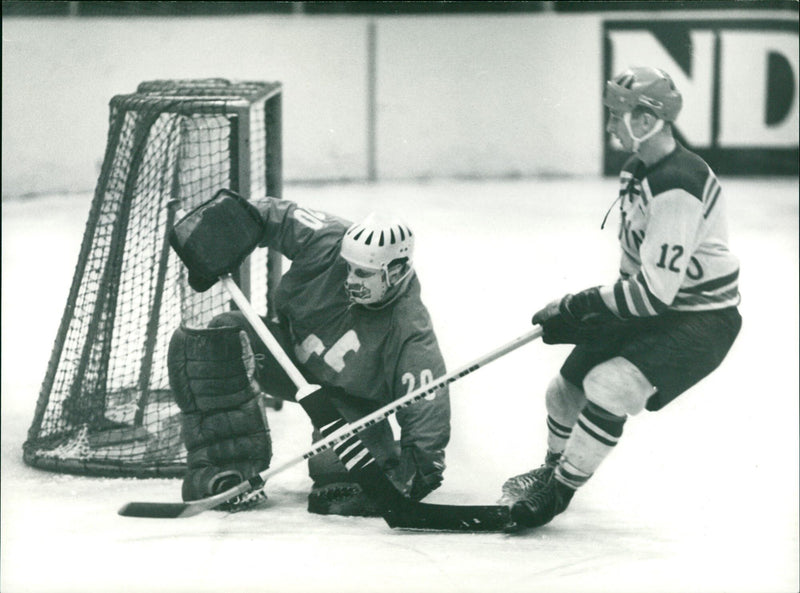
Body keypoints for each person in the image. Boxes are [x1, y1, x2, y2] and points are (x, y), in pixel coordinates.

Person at [500, 66, 742, 529]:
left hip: (702, 319)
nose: (610, 125)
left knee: (610, 385)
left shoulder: (679, 185)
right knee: (563, 392)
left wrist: (581, 304)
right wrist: (600, 316)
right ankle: (551, 470)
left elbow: (655, 295)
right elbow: (636, 271)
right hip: (659, 307)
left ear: (647, 119)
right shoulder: (636, 171)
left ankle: (560, 491)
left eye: (618, 115)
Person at [168, 195, 451, 517]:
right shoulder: (329, 240)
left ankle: (378, 451)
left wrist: (414, 476)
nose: (350, 280)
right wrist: (222, 235)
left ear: (396, 272)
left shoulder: (411, 330)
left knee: (336, 474)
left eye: (364, 274)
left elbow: (428, 410)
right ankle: (228, 465)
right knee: (226, 335)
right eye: (349, 268)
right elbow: (275, 216)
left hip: (347, 404)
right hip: (287, 358)